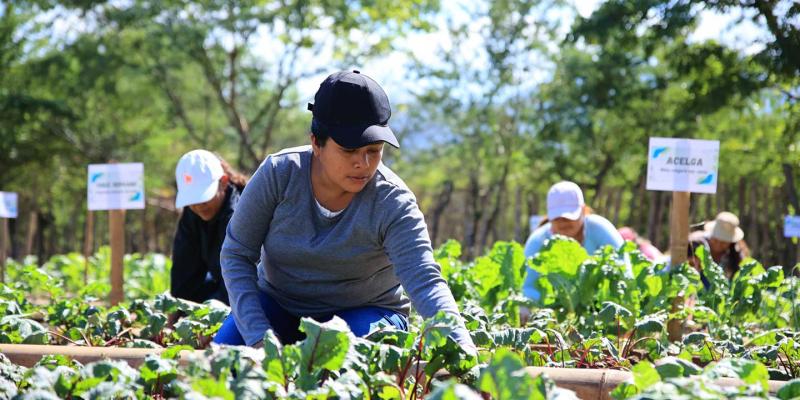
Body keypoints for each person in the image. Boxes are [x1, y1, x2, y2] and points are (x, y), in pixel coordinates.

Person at [213, 70, 475, 353]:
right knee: (228, 361)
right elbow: (237, 254)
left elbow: (424, 279)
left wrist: (461, 349)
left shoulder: (393, 201)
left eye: (374, 150)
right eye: (349, 150)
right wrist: (257, 335)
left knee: (346, 368)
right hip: (281, 307)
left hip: (366, 314)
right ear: (316, 142)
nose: (363, 163)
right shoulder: (279, 175)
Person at [521, 181, 624, 301]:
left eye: (569, 217)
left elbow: (623, 272)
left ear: (583, 210)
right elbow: (527, 287)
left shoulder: (600, 229)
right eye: (557, 218)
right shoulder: (538, 241)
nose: (563, 222)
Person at [171, 150, 248, 305]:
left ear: (224, 182)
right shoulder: (191, 214)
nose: (199, 206)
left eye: (204, 197)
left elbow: (242, 280)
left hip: (250, 294)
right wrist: (175, 312)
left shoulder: (241, 212)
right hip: (219, 287)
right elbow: (184, 271)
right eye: (193, 199)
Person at [688, 211, 750, 281]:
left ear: (730, 242)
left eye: (723, 242)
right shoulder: (697, 243)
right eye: (716, 240)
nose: (718, 244)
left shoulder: (736, 252)